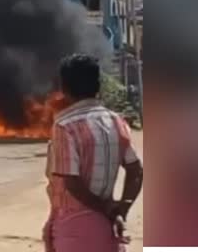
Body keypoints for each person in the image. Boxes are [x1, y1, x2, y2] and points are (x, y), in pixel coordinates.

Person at [43, 55, 143, 252]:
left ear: (64, 89)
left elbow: (72, 183)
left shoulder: (65, 126)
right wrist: (121, 208)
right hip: (108, 230)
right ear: (98, 86)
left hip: (74, 229)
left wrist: (108, 208)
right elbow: (136, 170)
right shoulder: (116, 121)